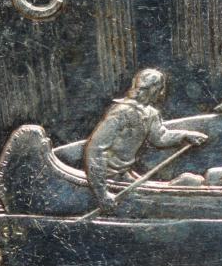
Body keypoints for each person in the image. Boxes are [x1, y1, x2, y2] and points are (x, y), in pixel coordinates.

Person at [84, 68, 207, 212]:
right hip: (105, 176)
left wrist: (185, 135)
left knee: (186, 181)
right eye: (160, 89)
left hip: (123, 174)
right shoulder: (121, 112)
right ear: (152, 89)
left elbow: (160, 137)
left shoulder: (150, 113)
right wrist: (101, 193)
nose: (162, 93)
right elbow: (95, 149)